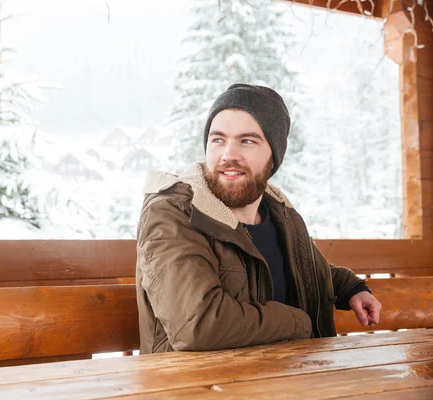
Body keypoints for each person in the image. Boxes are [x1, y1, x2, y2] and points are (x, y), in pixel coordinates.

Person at [136, 83, 382, 354]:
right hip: (198, 387)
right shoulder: (176, 212)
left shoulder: (278, 212)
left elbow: (301, 267)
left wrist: (350, 288)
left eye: (247, 141)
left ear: (273, 157)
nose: (228, 154)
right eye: (218, 139)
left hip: (287, 380)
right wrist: (300, 322)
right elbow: (200, 326)